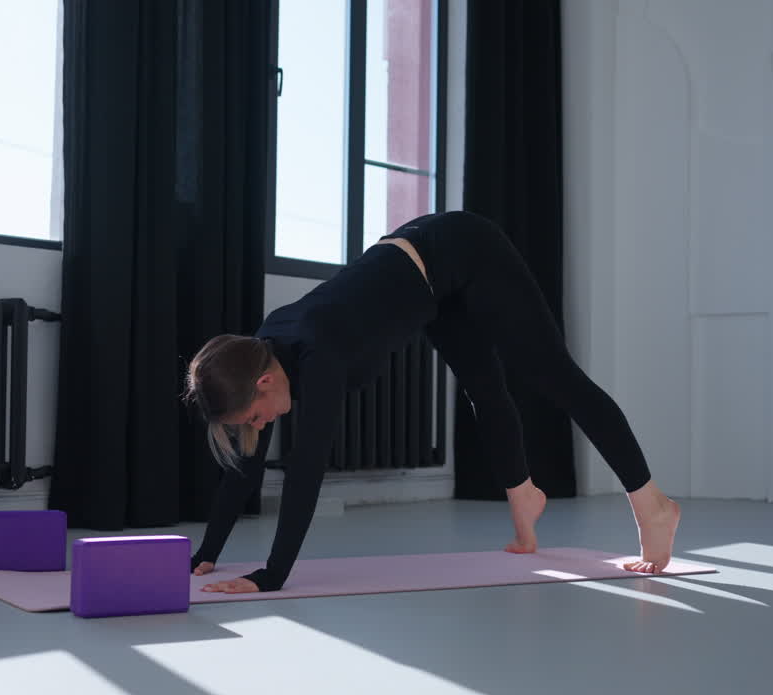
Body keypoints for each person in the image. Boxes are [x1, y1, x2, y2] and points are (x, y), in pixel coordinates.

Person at [181, 210, 681, 594]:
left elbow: (307, 468)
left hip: (463, 247)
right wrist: (208, 552)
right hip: (428, 285)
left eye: (254, 416)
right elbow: (246, 463)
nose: (259, 425)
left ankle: (652, 505)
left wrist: (271, 576)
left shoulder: (318, 352)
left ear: (264, 382)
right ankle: (524, 496)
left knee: (552, 375)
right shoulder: (263, 353)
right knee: (483, 388)